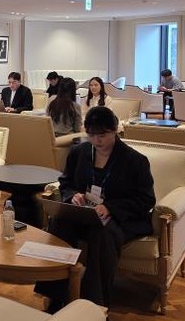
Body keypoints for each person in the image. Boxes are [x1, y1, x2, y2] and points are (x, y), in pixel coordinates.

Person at [36, 107, 155, 309]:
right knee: (60, 223)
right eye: (91, 135)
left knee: (102, 234)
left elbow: (146, 200)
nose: (97, 141)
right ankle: (55, 295)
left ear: (115, 130)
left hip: (118, 219)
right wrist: (73, 195)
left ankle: (95, 306)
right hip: (85, 212)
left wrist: (110, 208)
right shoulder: (79, 152)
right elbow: (66, 182)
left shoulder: (134, 161)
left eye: (102, 135)